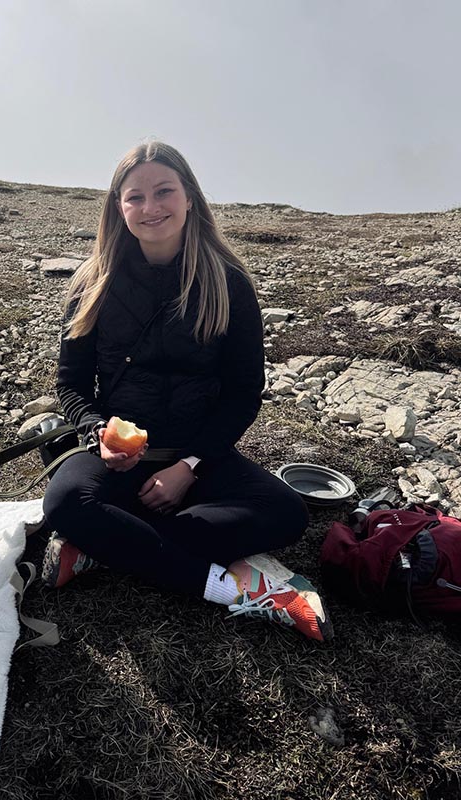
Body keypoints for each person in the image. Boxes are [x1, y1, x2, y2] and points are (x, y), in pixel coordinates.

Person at [41, 141, 332, 642]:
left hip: (196, 457)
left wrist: (189, 466)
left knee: (287, 513)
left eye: (164, 191)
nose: (151, 208)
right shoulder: (91, 284)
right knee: (65, 502)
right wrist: (97, 434)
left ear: (190, 197)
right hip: (115, 458)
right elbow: (70, 385)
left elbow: (244, 391)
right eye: (135, 197)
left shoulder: (228, 283)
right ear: (119, 208)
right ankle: (241, 591)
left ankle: (103, 545)